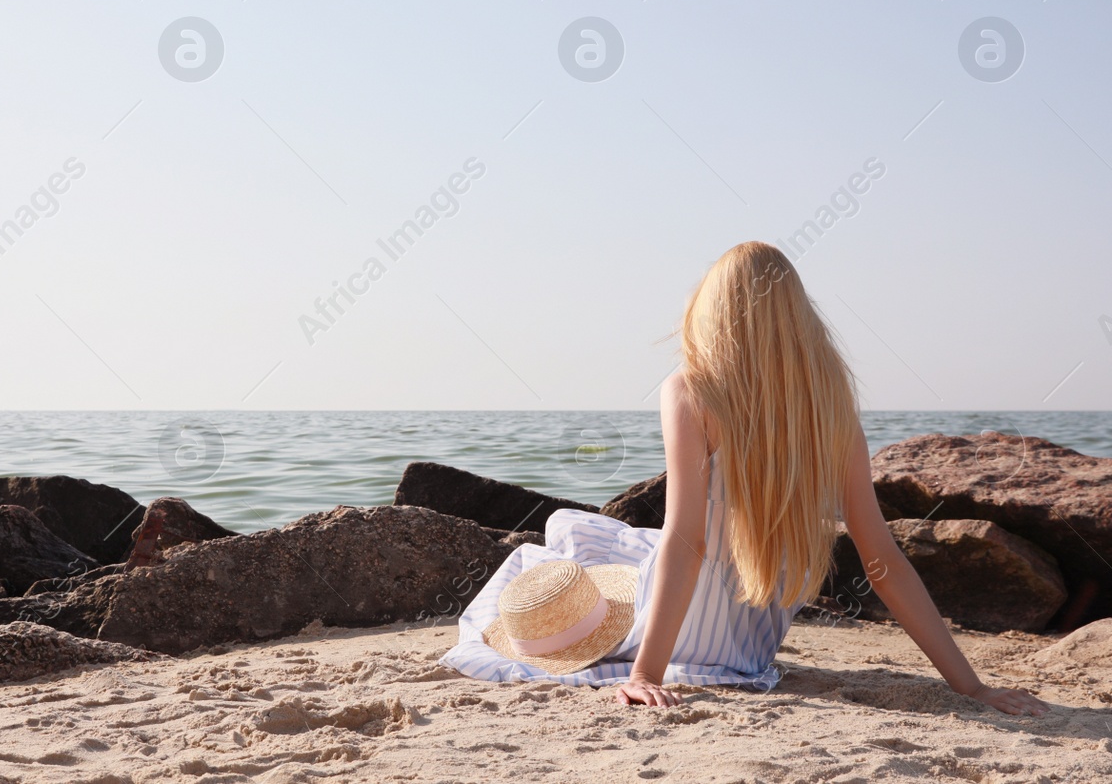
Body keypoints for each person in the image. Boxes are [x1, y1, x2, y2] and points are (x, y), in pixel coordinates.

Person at [442, 241, 1048, 716]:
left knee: (551, 548)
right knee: (605, 543)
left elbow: (686, 541)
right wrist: (969, 687)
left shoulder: (691, 391)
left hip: (677, 635)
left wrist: (645, 674)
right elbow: (882, 560)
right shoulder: (832, 413)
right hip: (748, 645)